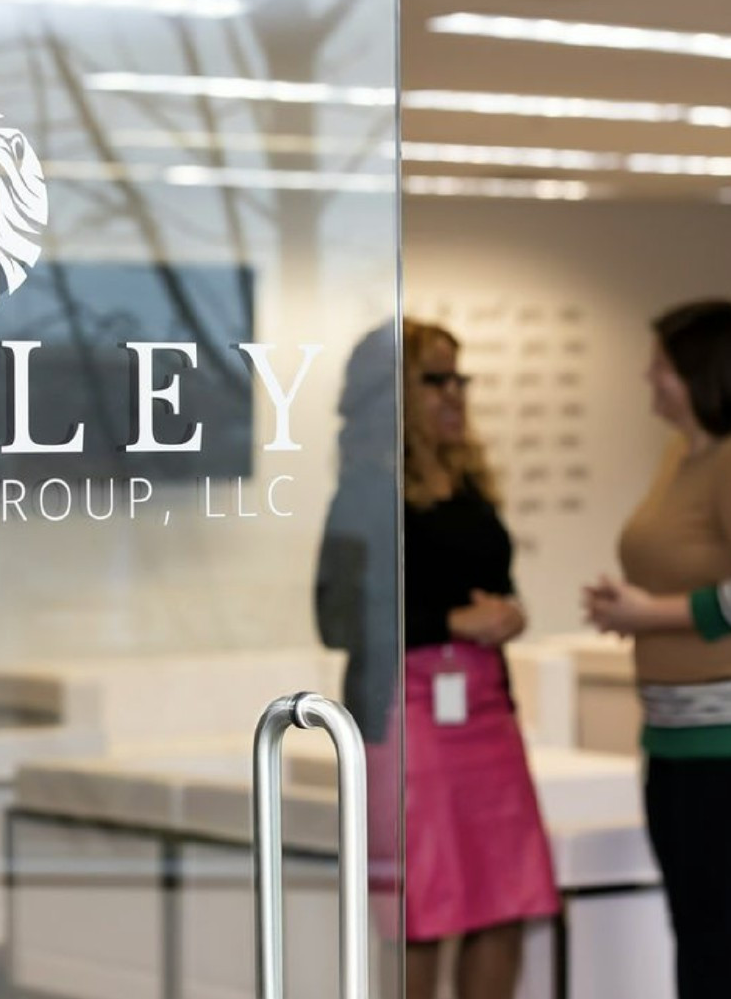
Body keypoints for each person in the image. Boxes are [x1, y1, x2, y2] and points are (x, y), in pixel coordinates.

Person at [583, 298, 731, 999]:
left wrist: (649, 611)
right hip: (681, 733)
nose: (649, 377)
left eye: (662, 365)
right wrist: (636, 609)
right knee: (698, 928)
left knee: (719, 930)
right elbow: (692, 575)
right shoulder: (681, 456)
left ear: (702, 372)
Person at [322, 317, 558, 999]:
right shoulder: (366, 492)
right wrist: (452, 620)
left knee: (506, 898)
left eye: (460, 378)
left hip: (485, 712)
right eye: (436, 380)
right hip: (409, 715)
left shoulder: (467, 483)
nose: (455, 394)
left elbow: (482, 581)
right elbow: (336, 617)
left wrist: (506, 612)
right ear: (393, 393)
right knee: (422, 908)